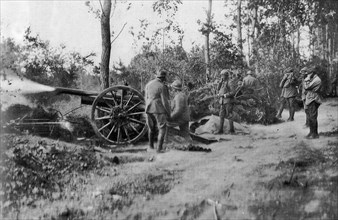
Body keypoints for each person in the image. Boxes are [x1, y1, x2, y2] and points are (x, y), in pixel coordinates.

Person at [144, 70, 171, 152]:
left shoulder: (148, 84)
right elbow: (165, 101)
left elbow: (146, 97)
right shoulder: (162, 86)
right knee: (162, 128)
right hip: (158, 109)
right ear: (163, 78)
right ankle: (159, 149)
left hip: (148, 108)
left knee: (151, 128)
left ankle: (151, 147)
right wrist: (168, 112)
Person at [304, 67, 322, 139]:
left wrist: (307, 79)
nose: (308, 75)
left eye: (309, 73)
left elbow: (306, 87)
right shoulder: (313, 79)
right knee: (311, 117)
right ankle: (312, 132)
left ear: (313, 73)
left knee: (313, 117)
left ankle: (315, 134)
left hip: (313, 99)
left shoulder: (317, 80)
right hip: (310, 98)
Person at [216, 69, 236, 134]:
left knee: (229, 115)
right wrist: (220, 82)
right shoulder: (222, 82)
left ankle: (232, 131)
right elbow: (218, 89)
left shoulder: (230, 82)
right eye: (221, 75)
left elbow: (233, 92)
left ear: (226, 75)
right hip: (222, 102)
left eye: (223, 75)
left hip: (228, 101)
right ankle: (220, 130)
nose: (222, 76)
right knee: (221, 116)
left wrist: (224, 95)